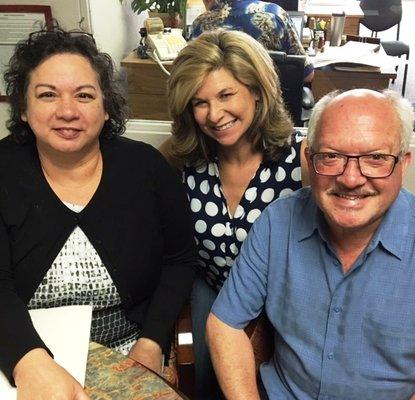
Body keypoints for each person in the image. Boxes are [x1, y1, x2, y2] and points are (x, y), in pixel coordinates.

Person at [0, 26, 196, 399]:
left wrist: (153, 341)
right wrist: (31, 362)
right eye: (47, 95)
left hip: (128, 351)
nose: (68, 111)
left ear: (107, 108)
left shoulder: (147, 170)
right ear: (24, 109)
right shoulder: (3, 172)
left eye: (84, 95)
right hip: (21, 352)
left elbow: (180, 260)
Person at [206, 88, 415, 399]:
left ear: (404, 163)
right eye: (331, 156)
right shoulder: (278, 222)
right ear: (308, 157)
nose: (351, 178)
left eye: (375, 158)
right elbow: (224, 324)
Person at [160, 29, 308, 399]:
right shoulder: (181, 157)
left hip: (284, 298)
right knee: (209, 378)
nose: (214, 114)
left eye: (226, 95)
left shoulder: (302, 160)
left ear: (257, 90)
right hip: (212, 288)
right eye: (199, 102)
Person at [191, 0, 314, 82]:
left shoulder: (200, 24)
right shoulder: (275, 14)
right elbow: (308, 74)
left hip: (221, 109)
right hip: (272, 111)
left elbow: (192, 75)